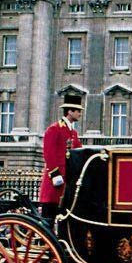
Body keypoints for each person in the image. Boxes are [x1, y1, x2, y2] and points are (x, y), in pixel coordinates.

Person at [40, 93, 84, 222]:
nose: (80, 114)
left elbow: (78, 152)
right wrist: (55, 175)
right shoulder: (54, 129)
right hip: (56, 182)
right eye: (78, 111)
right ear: (70, 111)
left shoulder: (73, 133)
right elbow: (49, 154)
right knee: (48, 221)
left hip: (67, 183)